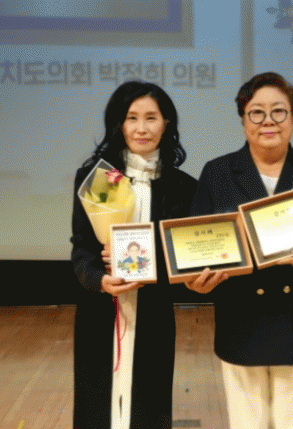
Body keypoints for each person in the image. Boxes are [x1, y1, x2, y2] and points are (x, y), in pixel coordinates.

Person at [185, 72, 293, 429]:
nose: (268, 121)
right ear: (243, 118)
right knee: (245, 421)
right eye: (257, 112)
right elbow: (193, 243)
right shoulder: (218, 173)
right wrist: (193, 280)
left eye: (279, 111)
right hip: (241, 315)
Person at [70, 80, 197, 429]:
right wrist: (99, 279)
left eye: (151, 118)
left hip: (154, 309)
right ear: (119, 124)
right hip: (101, 309)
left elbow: (186, 254)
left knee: (150, 402)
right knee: (96, 403)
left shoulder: (183, 187)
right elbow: (81, 246)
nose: (142, 128)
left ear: (166, 123)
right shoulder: (99, 178)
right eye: (132, 118)